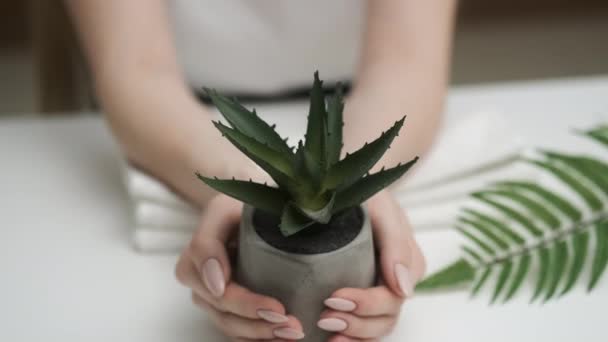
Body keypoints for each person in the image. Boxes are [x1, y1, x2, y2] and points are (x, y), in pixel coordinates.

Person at [67, 0, 456, 340]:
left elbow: (407, 60)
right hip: (186, 115)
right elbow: (136, 68)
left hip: (364, 103)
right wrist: (234, 184)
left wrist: (363, 181)